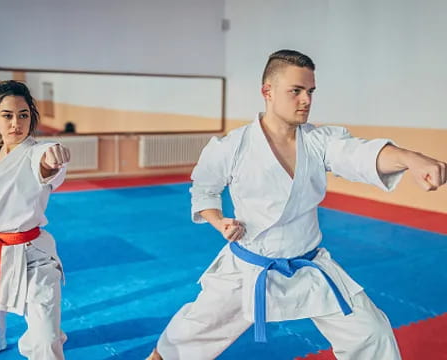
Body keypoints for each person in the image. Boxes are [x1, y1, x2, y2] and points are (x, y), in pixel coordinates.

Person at [147, 49, 447, 360]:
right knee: (187, 337)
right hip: (250, 267)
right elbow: (204, 191)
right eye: (296, 91)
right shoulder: (231, 147)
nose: (306, 100)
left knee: (372, 332)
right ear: (267, 91)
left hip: (310, 265)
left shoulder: (318, 141)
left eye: (310, 91)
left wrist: (411, 159)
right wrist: (217, 220)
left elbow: (359, 154)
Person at [0, 80, 70, 360]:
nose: (16, 123)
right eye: (8, 115)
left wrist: (52, 160)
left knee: (45, 336)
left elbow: (46, 161)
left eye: (23, 115)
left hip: (31, 255)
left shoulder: (35, 152)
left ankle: (46, 342)